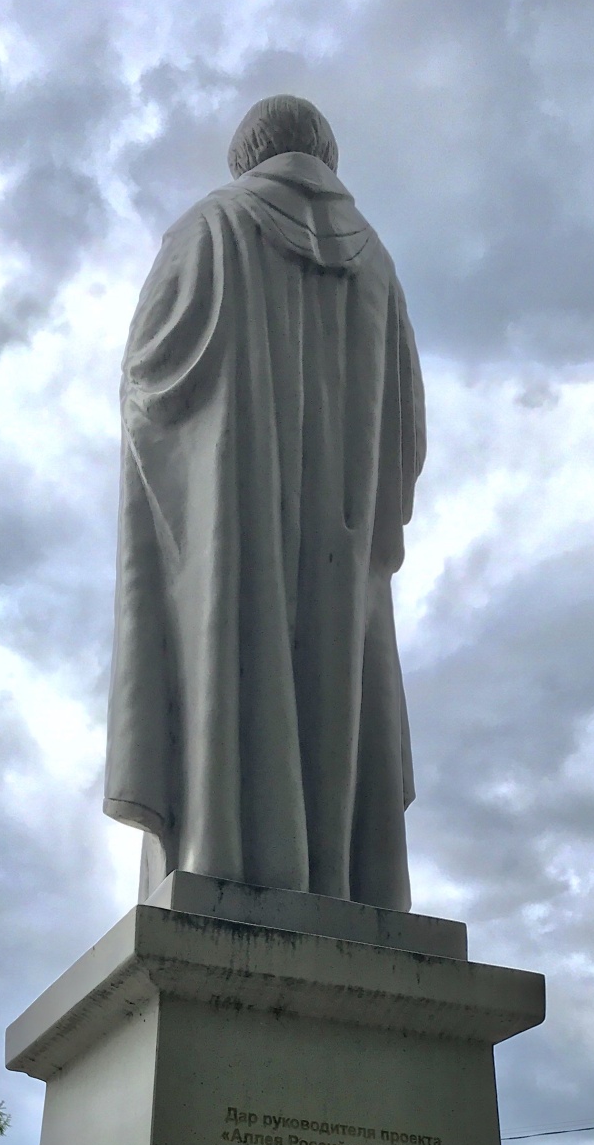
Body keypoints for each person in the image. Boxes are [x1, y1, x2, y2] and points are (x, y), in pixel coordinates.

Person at [105, 94, 426, 910]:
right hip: (344, 561)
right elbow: (407, 441)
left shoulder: (209, 230)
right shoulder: (379, 268)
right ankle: (345, 885)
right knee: (340, 687)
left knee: (231, 656)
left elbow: (150, 385)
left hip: (238, 542)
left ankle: (230, 855)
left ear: (246, 156)